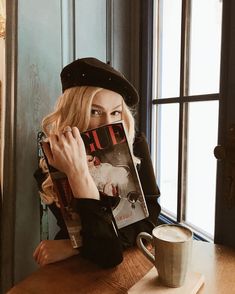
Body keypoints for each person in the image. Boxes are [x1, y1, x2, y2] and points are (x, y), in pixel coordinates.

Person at [33, 57, 161, 268]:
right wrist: (76, 171)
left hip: (124, 259)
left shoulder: (136, 144)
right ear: (74, 112)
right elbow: (99, 247)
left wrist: (73, 246)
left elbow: (147, 222)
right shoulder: (51, 160)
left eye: (115, 112)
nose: (108, 123)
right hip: (77, 267)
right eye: (95, 111)